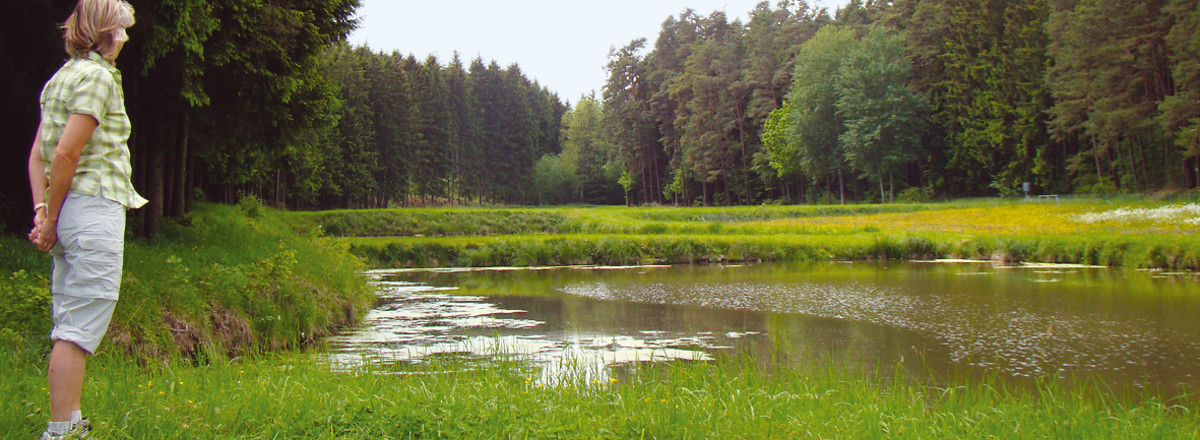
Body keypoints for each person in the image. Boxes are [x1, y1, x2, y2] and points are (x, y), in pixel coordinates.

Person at [26, 0, 145, 438]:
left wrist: (43, 212)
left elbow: (37, 157)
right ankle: (60, 432)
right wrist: (50, 217)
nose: (126, 37)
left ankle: (71, 422)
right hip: (93, 209)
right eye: (121, 29)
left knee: (70, 320)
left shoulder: (61, 78)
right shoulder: (97, 78)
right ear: (105, 32)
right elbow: (64, 154)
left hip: (69, 212)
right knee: (78, 328)